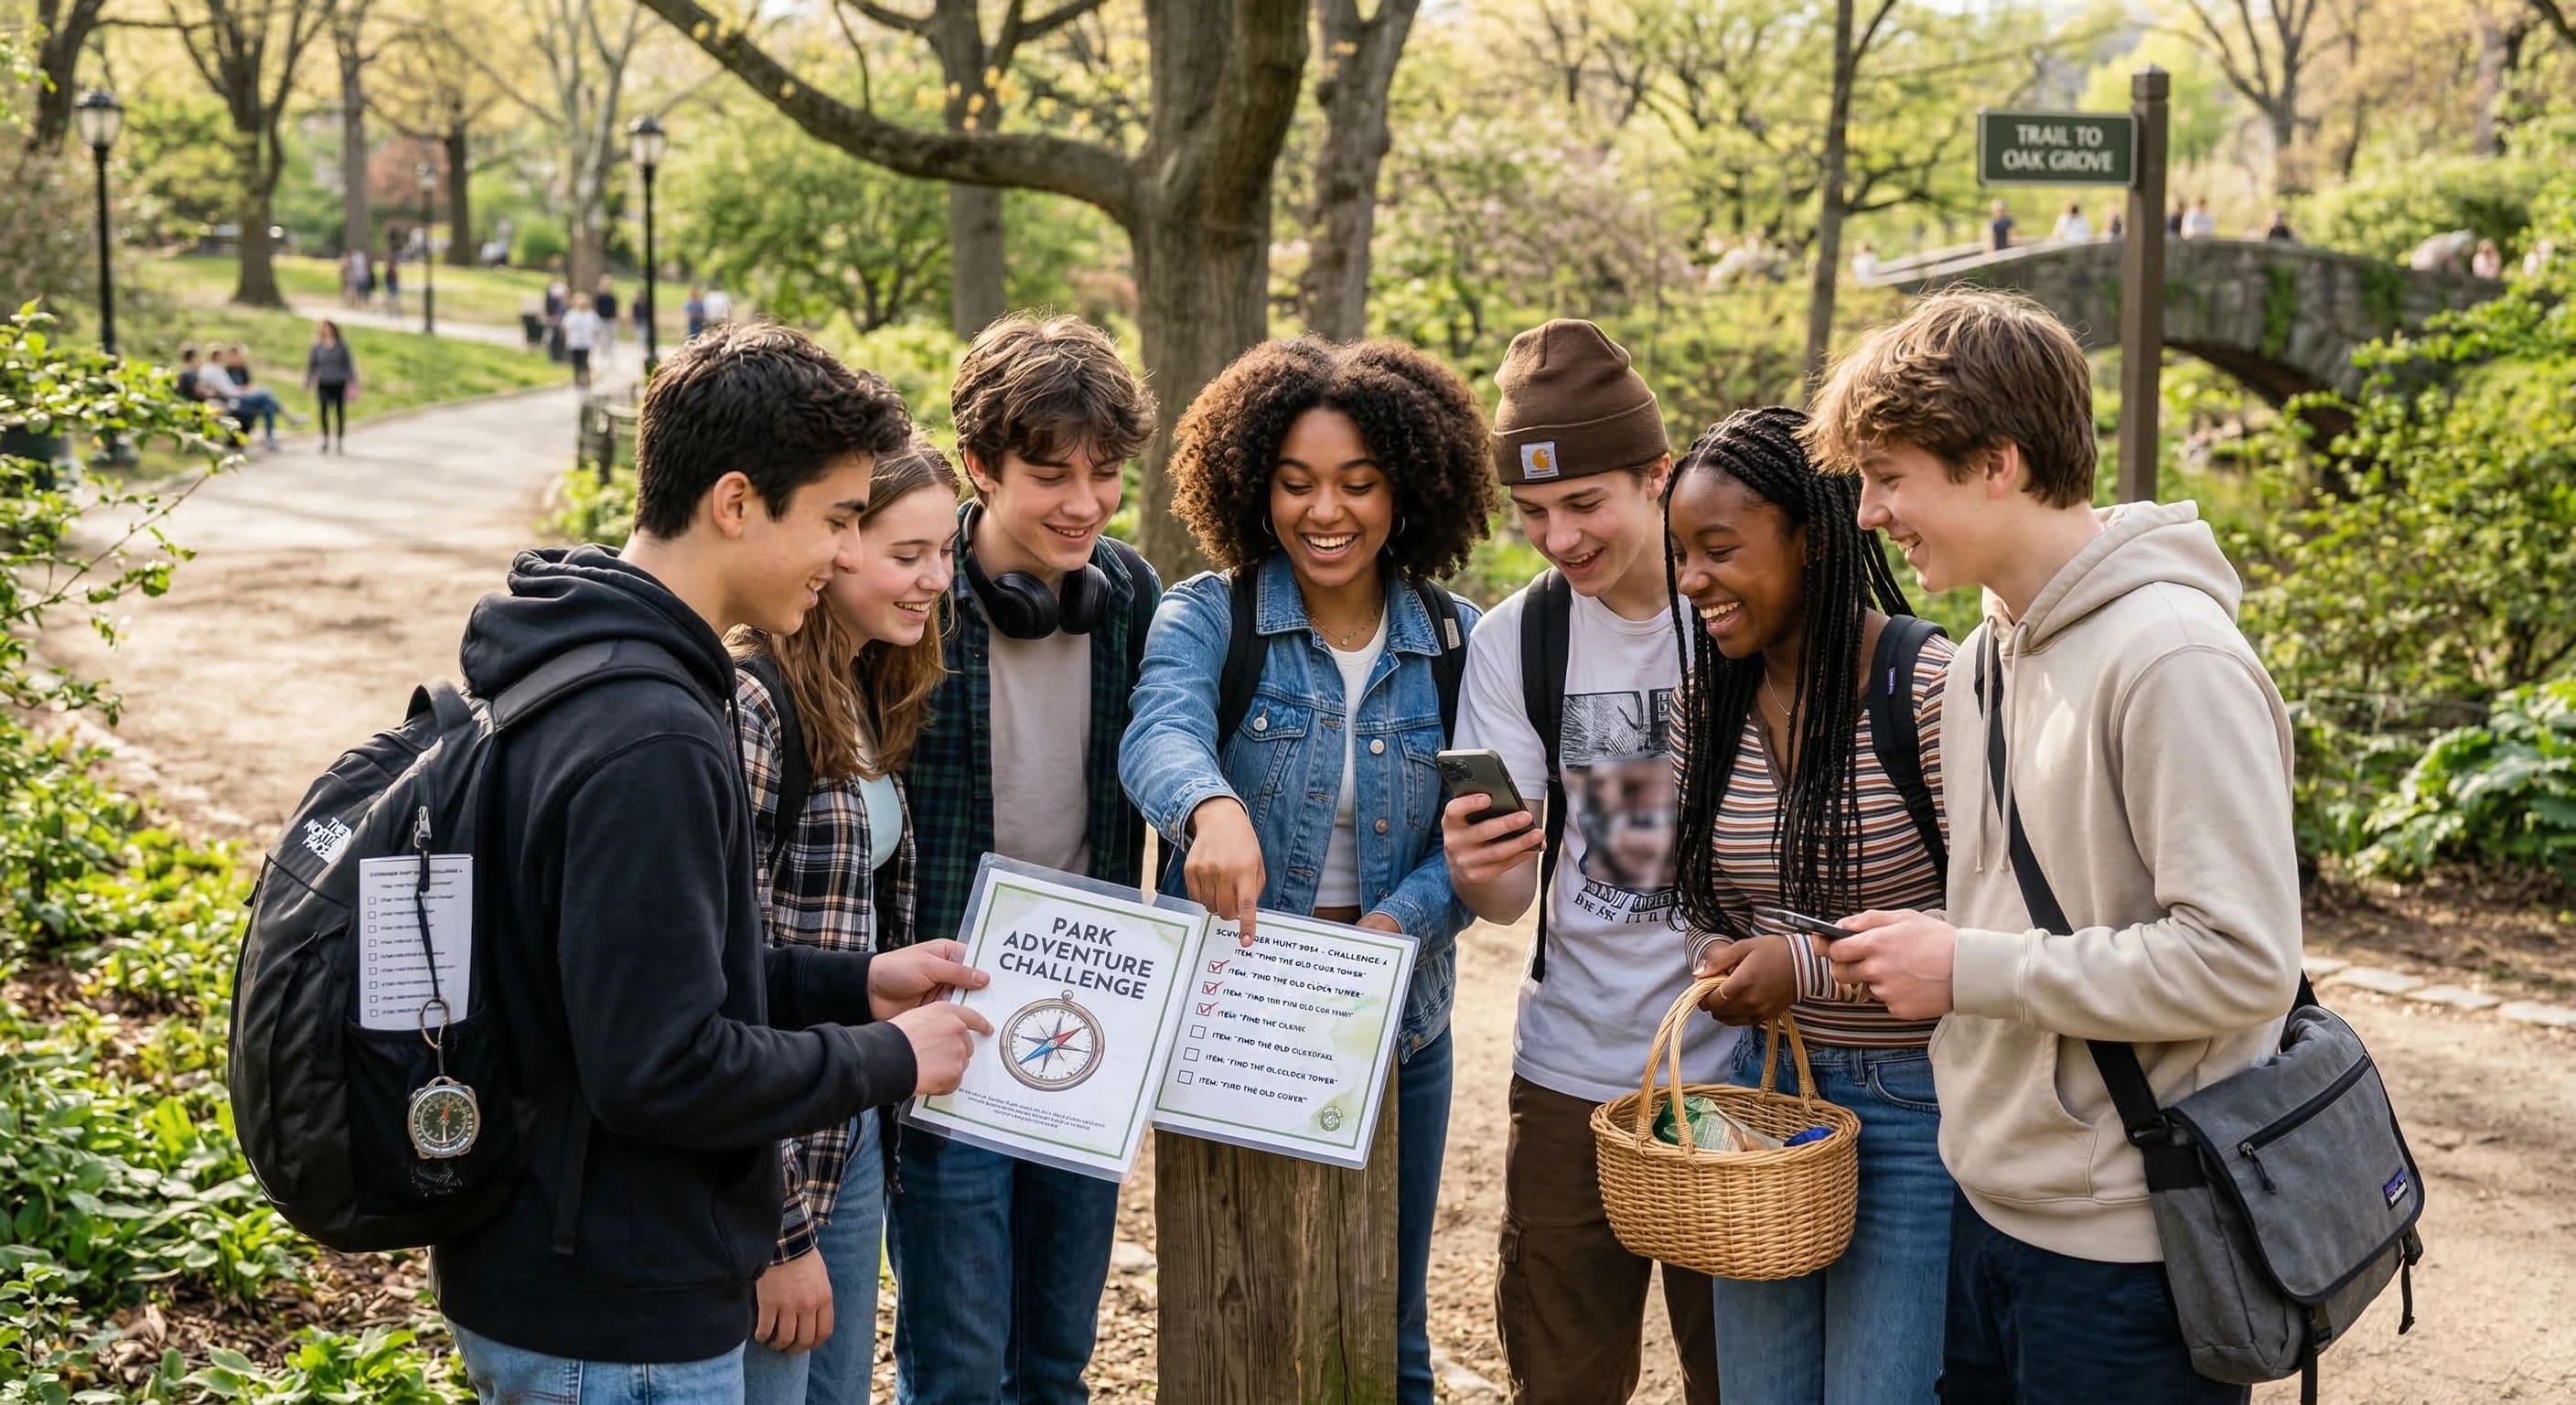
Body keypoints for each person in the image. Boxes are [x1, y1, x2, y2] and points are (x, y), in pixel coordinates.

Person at [432, 321, 996, 1405]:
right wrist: (890, 1059)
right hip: (616, 1312)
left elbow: (646, 975)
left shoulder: (586, 660)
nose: (846, 553)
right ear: (735, 504)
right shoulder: (655, 735)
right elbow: (664, 1065)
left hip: (569, 1264)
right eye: (837, 520)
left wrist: (853, 984)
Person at [1805, 288, 2303, 1404]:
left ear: (1995, 462)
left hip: (2130, 1248)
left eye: (1889, 477)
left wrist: (1965, 968)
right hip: (1989, 1210)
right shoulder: (1985, 650)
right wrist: (1946, 945)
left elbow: (2240, 961)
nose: (1869, 513)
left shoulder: (2174, 659)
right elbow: (2038, 917)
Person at [1118, 338, 1497, 1405]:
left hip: (1397, 1019)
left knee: (1387, 1319)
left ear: (1407, 490)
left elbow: (1482, 839)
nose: (1323, 511)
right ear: (1252, 487)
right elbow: (1158, 733)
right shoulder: (1210, 616)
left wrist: (1397, 927)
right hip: (1236, 1011)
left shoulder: (1458, 643)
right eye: (1294, 484)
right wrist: (1212, 807)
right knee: (1229, 1300)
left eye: (1356, 483)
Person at [1440, 319, 1726, 1405]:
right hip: (1569, 1072)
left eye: (1584, 504)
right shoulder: (1517, 640)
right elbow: (1509, 901)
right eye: (1532, 515)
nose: (1558, 538)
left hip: (1738, 1071)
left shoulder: (1738, 608)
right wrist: (1479, 866)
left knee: (1743, 1371)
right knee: (1561, 1374)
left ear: (1658, 477)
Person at [886, 313, 1160, 1405]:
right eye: (1050, 475)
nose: (1083, 504)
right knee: (956, 1366)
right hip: (950, 1006)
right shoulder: (906, 597)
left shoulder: (1128, 595)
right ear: (978, 466)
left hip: (1089, 1014)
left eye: (1104, 475)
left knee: (1055, 1358)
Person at [1663, 406, 1956, 1403]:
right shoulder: (1702, 705)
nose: (1690, 581)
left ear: (1812, 539)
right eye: (1680, 556)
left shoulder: (1926, 687)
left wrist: (1808, 966)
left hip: (1916, 1112)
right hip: (1769, 1101)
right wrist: (1723, 961)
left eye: (1716, 550)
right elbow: (1706, 898)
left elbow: (2000, 926)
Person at [735, 433, 962, 1405]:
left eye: (946, 554)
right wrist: (775, 1235)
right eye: (906, 557)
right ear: (832, 551)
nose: (935, 582)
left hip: (849, 1124)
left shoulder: (860, 689)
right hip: (767, 1146)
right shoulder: (753, 702)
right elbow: (719, 982)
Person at [304, 320, 358, 454]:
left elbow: (349, 365)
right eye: (324, 328)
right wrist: (308, 380)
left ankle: (339, 441)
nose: (327, 331)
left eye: (329, 328)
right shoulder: (317, 346)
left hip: (339, 383)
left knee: (339, 413)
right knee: (323, 412)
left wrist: (352, 383)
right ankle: (325, 440)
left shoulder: (342, 346)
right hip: (323, 383)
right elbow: (312, 365)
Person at [562, 300, 601, 390]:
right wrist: (566, 339)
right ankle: (577, 381)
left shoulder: (591, 314)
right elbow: (565, 327)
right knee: (576, 363)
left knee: (584, 362)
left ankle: (586, 380)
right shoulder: (571, 314)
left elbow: (596, 328)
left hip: (586, 343)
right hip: (574, 342)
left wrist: (594, 340)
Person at [596, 275, 622, 361]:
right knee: (602, 337)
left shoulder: (612, 296)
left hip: (611, 319)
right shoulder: (599, 296)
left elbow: (615, 308)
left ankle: (610, 353)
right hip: (602, 319)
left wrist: (617, 318)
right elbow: (596, 307)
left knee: (611, 336)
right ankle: (603, 352)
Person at [382, 231, 403, 313]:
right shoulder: (391, 249)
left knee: (392, 293)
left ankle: (393, 310)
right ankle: (392, 310)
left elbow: (390, 263)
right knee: (392, 293)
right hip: (391, 275)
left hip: (391, 275)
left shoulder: (391, 249)